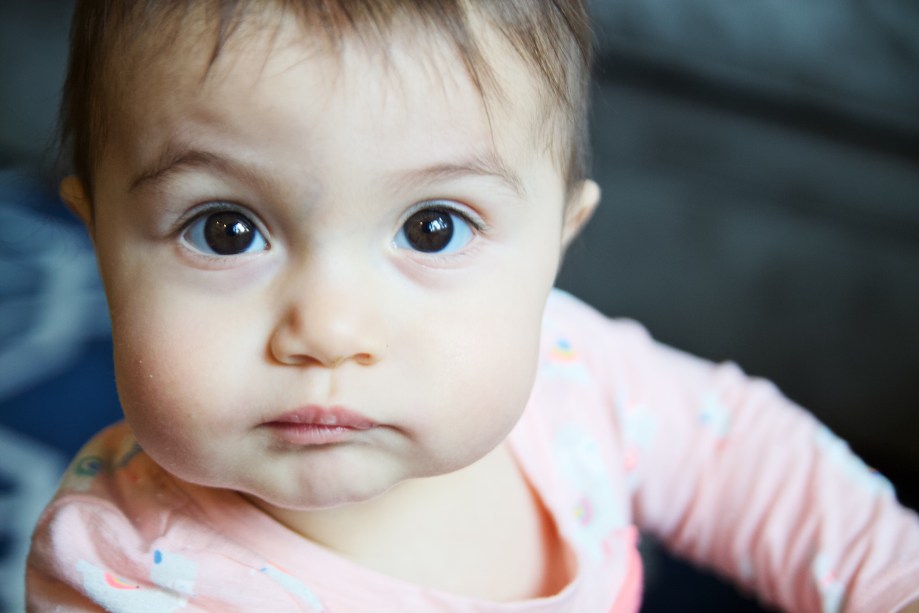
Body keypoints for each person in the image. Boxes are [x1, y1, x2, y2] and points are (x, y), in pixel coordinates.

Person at [26, 1, 919, 611]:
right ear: (99, 239)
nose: (330, 329)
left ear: (555, 245)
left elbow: (744, 457)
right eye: (225, 230)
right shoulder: (123, 576)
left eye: (432, 227)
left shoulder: (569, 369)